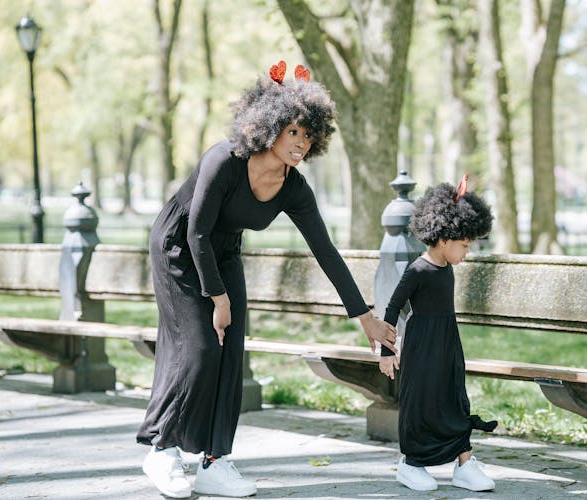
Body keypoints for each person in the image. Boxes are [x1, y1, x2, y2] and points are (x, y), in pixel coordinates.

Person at [136, 61, 397, 498]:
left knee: (230, 352)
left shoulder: (294, 188)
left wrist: (364, 316)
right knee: (198, 347)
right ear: (268, 125)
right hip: (179, 248)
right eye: (293, 132)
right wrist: (218, 299)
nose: (301, 143)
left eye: (308, 135)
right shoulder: (224, 160)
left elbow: (326, 251)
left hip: (224, 251)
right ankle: (162, 450)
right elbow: (196, 232)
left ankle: (215, 461)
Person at [379, 176, 497, 492]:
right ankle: (411, 464)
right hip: (422, 345)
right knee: (423, 401)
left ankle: (465, 464)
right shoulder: (418, 270)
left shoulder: (446, 268)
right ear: (444, 238)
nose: (467, 252)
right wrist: (387, 351)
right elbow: (392, 307)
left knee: (454, 398)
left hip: (447, 340)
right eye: (465, 245)